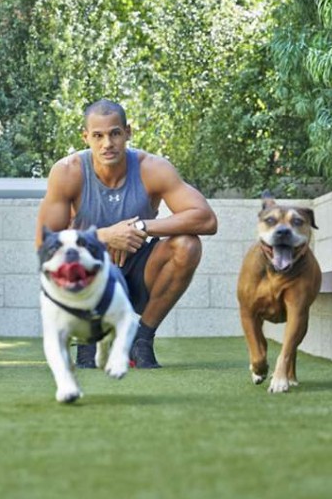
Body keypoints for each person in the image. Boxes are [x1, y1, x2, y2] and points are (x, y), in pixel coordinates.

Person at [35, 99, 218, 368]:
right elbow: (44, 244)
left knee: (188, 245)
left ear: (128, 132)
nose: (107, 143)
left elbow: (206, 219)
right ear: (85, 137)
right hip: (90, 273)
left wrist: (140, 228)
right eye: (98, 136)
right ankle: (87, 338)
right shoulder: (68, 172)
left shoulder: (152, 168)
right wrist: (104, 236)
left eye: (115, 133)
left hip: (141, 270)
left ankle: (141, 339)